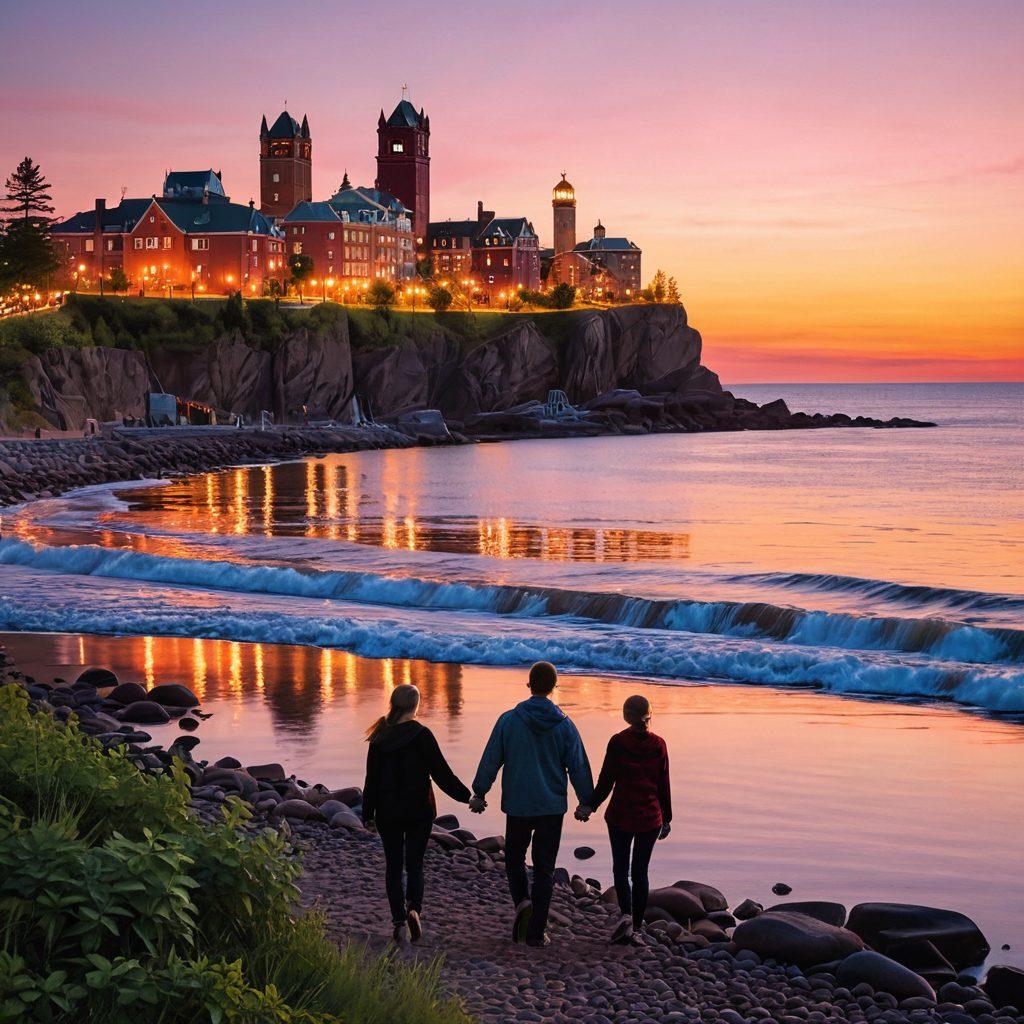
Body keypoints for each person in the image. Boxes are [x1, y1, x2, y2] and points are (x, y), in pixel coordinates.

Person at [470, 661, 593, 947]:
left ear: (529, 684)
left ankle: (522, 903)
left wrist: (480, 792)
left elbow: (492, 758)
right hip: (551, 806)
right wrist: (586, 801)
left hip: (518, 804)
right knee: (544, 868)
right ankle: (537, 932)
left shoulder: (509, 720)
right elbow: (578, 767)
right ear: (554, 687)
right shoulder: (565, 725)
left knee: (514, 858)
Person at [362, 683, 472, 943]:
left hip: (387, 812)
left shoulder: (379, 737)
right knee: (415, 864)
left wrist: (367, 814)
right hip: (418, 811)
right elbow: (442, 774)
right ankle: (414, 909)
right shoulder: (422, 735)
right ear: (415, 706)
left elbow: (371, 780)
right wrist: (469, 797)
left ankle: (399, 921)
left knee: (393, 866)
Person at [576, 694, 672, 944]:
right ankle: (637, 926)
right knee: (640, 872)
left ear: (625, 716)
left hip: (621, 814)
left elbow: (606, 781)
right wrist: (667, 817)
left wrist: (589, 805)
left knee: (621, 868)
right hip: (650, 817)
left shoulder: (618, 742)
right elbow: (663, 784)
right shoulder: (659, 744)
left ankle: (626, 916)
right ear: (649, 715)